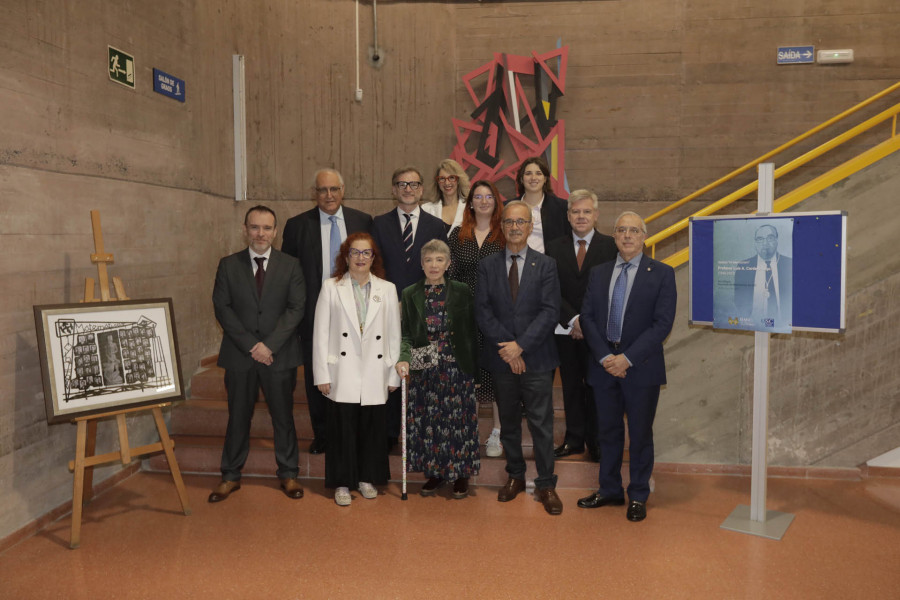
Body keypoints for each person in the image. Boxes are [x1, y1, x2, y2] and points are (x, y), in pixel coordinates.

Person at [578, 211, 677, 522]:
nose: (627, 235)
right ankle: (609, 489)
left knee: (640, 433)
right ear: (615, 235)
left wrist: (627, 358)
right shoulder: (599, 272)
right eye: (621, 230)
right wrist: (607, 357)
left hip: (640, 367)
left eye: (634, 230)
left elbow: (662, 325)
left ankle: (637, 494)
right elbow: (588, 318)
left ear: (644, 236)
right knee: (607, 432)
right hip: (604, 365)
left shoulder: (661, 273)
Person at [209, 205, 306, 503]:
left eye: (266, 228)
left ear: (275, 231)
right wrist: (252, 346)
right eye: (255, 227)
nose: (260, 233)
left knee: (283, 417)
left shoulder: (291, 265)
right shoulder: (228, 265)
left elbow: (296, 308)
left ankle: (288, 474)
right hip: (241, 356)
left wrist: (270, 346)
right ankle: (230, 476)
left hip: (279, 356)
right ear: (245, 229)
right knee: (238, 416)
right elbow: (222, 308)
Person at [474, 201, 563, 515]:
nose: (514, 227)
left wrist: (520, 347)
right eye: (509, 222)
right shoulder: (487, 265)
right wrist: (508, 349)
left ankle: (546, 483)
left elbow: (550, 311)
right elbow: (482, 311)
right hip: (501, 359)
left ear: (529, 226)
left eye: (521, 222)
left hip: (537, 358)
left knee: (541, 424)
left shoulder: (547, 265)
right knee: (509, 421)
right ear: (503, 226)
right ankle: (514, 476)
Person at [281, 168, 373, 456]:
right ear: (315, 193)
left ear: (343, 191)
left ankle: (354, 433)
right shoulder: (297, 226)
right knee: (317, 375)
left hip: (356, 311)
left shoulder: (363, 221)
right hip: (313, 314)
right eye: (322, 190)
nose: (329, 195)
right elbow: (288, 274)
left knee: (353, 372)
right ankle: (323, 434)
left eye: (334, 189)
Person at [312, 233, 401, 506]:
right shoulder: (331, 287)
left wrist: (392, 374)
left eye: (366, 253)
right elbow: (320, 332)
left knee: (372, 429)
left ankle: (366, 478)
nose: (361, 258)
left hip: (375, 370)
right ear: (346, 256)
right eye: (355, 252)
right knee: (342, 430)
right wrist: (322, 374)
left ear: (374, 258)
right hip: (342, 371)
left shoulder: (387, 289)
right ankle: (342, 482)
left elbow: (393, 335)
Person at [396, 239, 480, 499]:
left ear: (448, 263)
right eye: (429, 260)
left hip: (457, 365)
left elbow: (470, 331)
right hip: (425, 365)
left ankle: (461, 475)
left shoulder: (462, 290)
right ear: (421, 265)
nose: (434, 265)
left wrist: (474, 371)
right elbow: (407, 334)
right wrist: (404, 357)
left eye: (439, 260)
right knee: (429, 422)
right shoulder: (409, 293)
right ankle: (435, 473)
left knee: (459, 421)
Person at [372, 166, 447, 449]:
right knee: (391, 369)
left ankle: (419, 433)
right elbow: (375, 266)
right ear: (393, 189)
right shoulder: (378, 224)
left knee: (421, 371)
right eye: (401, 184)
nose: (408, 189)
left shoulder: (436, 226)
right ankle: (391, 433)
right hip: (387, 310)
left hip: (424, 311)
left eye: (414, 184)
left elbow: (439, 268)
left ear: (422, 189)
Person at [545, 189, 617, 461]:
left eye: (586, 211)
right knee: (571, 385)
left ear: (596, 215)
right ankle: (574, 439)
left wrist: (585, 322)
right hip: (565, 329)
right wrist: (574, 320)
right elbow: (551, 289)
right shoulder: (554, 247)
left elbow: (609, 290)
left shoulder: (610, 246)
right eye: (575, 212)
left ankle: (596, 441)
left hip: (598, 330)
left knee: (596, 385)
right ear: (568, 216)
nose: (581, 216)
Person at [447, 179, 505, 457]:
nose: (483, 201)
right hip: (465, 318)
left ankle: (496, 434)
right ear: (470, 202)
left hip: (497, 318)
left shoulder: (505, 233)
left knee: (497, 377)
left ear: (496, 202)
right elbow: (449, 276)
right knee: (466, 377)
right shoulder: (459, 235)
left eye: (488, 196)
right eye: (478, 197)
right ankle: (467, 433)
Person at [733, 223, 792, 326]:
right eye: (760, 239)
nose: (765, 243)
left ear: (777, 240)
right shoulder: (743, 266)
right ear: (755, 243)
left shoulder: (790, 264)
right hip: (753, 324)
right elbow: (739, 299)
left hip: (784, 324)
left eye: (770, 238)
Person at [512, 156, 571, 253]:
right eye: (528, 173)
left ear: (545, 179)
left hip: (550, 265)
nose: (533, 178)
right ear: (521, 179)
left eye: (539, 173)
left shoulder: (562, 207)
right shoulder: (508, 207)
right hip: (515, 264)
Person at [421, 158, 471, 236]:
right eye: (442, 179)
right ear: (437, 182)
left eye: (451, 178)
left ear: (458, 180)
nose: (447, 183)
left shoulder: (471, 209)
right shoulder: (426, 210)